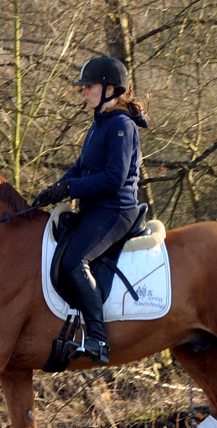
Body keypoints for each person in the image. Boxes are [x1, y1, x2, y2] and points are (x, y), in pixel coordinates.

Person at [33, 55, 150, 366]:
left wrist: (72, 189)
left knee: (74, 261)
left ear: (110, 89)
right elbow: (80, 168)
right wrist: (54, 189)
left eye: (89, 87)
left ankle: (98, 338)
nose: (83, 92)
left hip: (116, 210)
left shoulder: (122, 126)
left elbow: (113, 178)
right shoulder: (100, 125)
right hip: (95, 209)